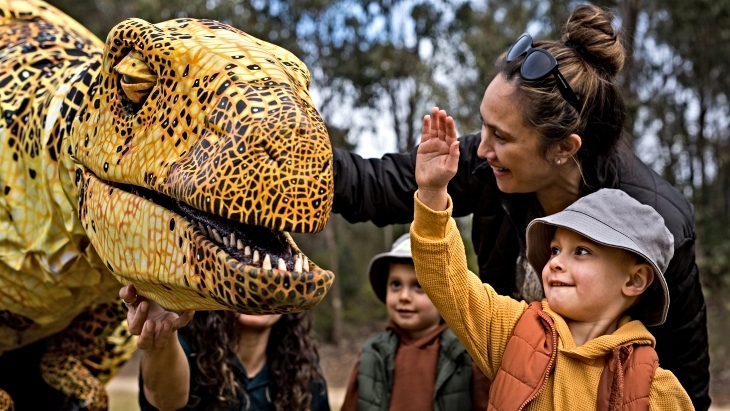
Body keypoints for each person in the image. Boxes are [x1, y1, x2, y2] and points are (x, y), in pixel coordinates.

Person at [331, 4, 710, 409]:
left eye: (502, 136)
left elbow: (686, 378)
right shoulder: (509, 327)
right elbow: (378, 185)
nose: (482, 148)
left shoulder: (656, 221)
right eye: (484, 126)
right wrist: (295, 159)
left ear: (564, 148)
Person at [411, 116, 694, 408]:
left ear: (634, 280)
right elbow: (448, 282)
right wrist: (432, 193)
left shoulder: (656, 390)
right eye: (555, 250)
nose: (556, 263)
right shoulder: (513, 331)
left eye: (582, 251)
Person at [119, 284, 330, 411]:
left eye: (273, 281)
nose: (259, 290)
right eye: (247, 278)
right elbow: (166, 401)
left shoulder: (302, 370)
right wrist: (160, 339)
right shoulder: (189, 348)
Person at [340, 233, 490, 411]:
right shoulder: (372, 355)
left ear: (444, 293)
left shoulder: (466, 354)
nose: (404, 297)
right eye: (396, 284)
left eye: (419, 286)